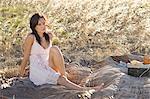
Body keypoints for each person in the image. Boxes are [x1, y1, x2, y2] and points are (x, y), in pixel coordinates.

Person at [19, 13, 104, 91]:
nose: (43, 26)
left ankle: (64, 76)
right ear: (34, 26)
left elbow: (52, 55)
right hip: (38, 69)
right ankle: (86, 89)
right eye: (39, 24)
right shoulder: (31, 37)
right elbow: (26, 57)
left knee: (54, 49)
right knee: (61, 80)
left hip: (48, 65)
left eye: (44, 23)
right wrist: (20, 75)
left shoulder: (49, 35)